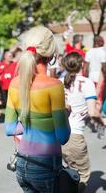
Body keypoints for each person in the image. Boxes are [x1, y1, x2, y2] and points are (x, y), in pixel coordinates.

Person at [5, 26, 70, 193]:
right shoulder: (54, 86)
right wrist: (65, 113)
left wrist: (29, 123)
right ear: (51, 55)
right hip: (45, 165)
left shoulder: (14, 83)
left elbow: (9, 128)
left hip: (21, 165)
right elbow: (63, 137)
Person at [61, 52, 99, 193]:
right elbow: (93, 112)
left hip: (58, 135)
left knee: (69, 171)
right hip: (75, 134)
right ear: (81, 64)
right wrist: (103, 122)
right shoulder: (87, 82)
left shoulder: (59, 82)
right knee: (82, 175)